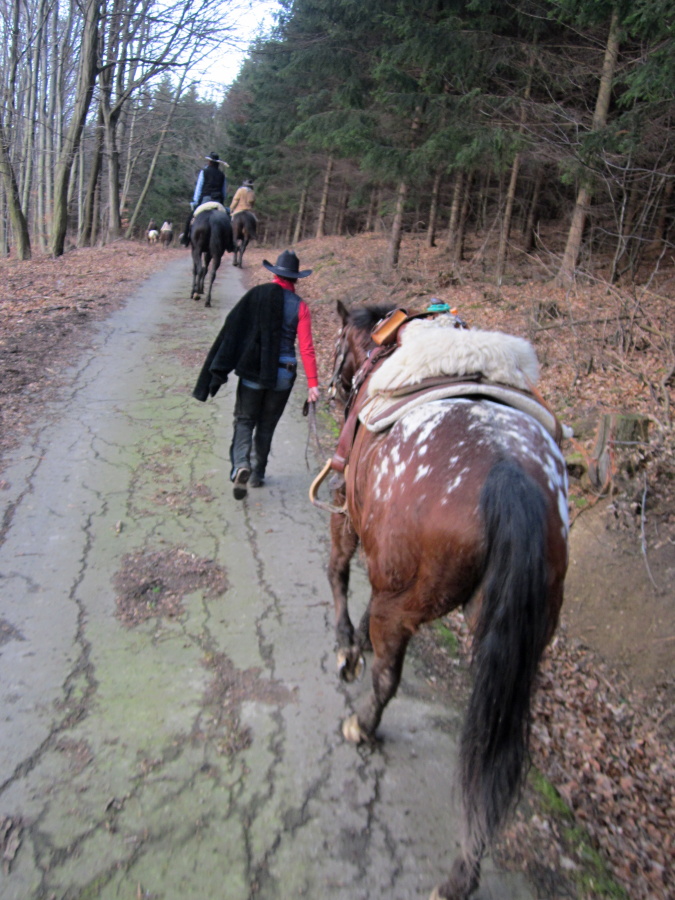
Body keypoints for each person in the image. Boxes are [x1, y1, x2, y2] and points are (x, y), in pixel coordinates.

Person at [193, 250, 320, 500]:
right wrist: (313, 384)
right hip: (284, 372)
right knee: (266, 425)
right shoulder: (301, 307)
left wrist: (222, 365)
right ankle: (258, 474)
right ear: (295, 279)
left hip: (254, 369)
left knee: (244, 419)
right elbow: (306, 348)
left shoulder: (256, 296)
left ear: (274, 274)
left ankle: (241, 464)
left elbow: (234, 328)